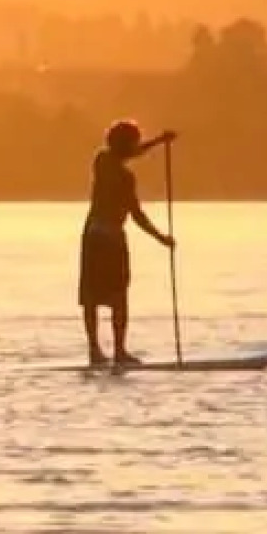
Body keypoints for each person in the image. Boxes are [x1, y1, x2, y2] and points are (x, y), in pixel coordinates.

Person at [79, 120, 176, 367]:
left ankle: (95, 351)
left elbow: (130, 152)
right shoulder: (124, 176)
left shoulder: (101, 161)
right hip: (110, 238)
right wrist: (161, 238)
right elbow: (136, 215)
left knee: (92, 295)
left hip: (92, 235)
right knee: (117, 296)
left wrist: (157, 142)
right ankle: (119, 351)